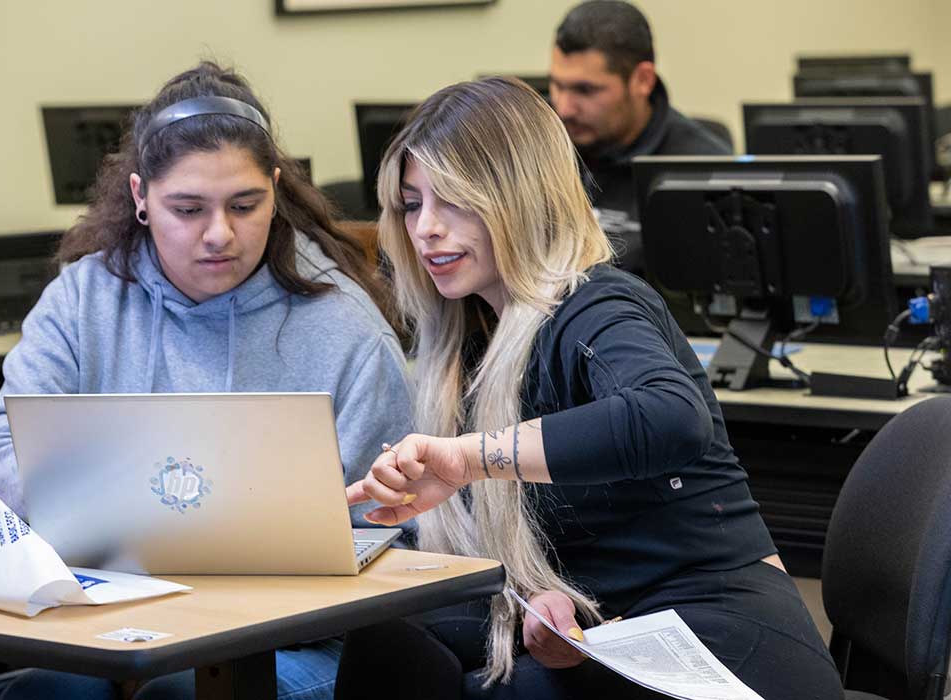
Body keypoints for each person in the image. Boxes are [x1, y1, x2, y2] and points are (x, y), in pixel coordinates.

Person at [341, 77, 843, 699]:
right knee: (390, 638)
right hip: (608, 620)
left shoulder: (597, 305)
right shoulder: (471, 334)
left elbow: (670, 418)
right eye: (413, 204)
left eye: (455, 201)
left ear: (520, 200)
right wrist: (541, 590)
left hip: (720, 630)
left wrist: (470, 457)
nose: (427, 230)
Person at [0, 61, 413, 700]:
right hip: (106, 620)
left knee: (180, 693)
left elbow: (393, 525)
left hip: (292, 638)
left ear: (275, 190)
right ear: (141, 197)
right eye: (188, 208)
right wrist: (139, 533)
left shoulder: (347, 332)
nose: (220, 233)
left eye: (245, 205)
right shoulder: (83, 299)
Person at [550, 0, 731, 272]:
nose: (564, 108)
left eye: (585, 90)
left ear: (643, 80)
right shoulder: (543, 145)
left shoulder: (702, 171)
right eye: (556, 85)